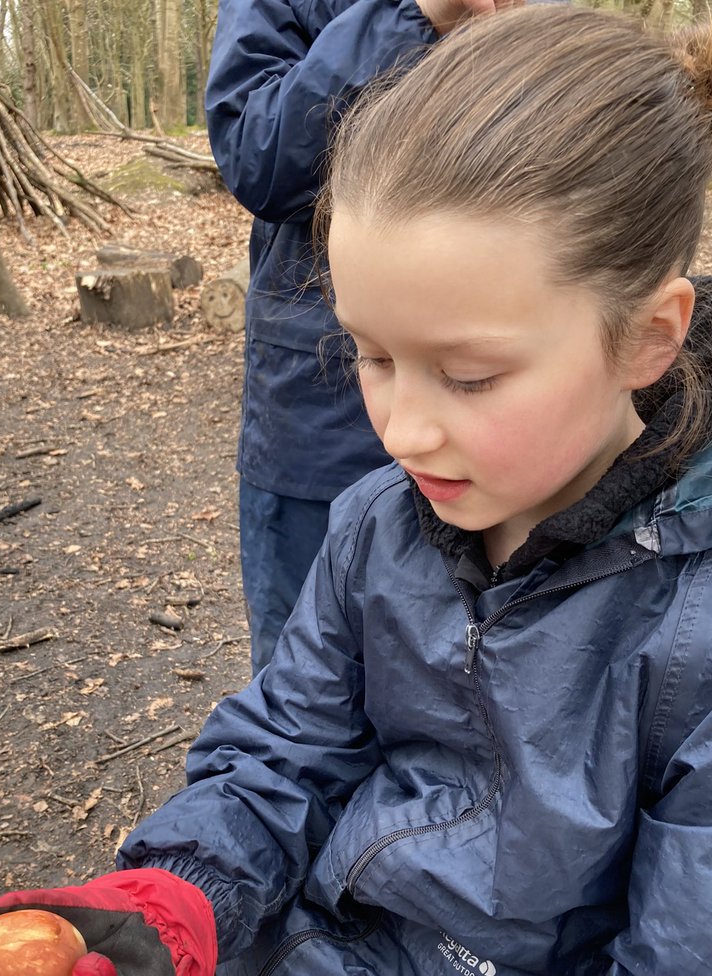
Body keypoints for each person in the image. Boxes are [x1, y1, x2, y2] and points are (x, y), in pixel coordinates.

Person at [0, 8, 712, 976]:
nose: (401, 430)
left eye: (469, 375)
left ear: (648, 338)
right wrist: (178, 900)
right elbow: (283, 757)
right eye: (372, 355)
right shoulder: (379, 524)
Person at [207, 0, 503, 675]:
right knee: (314, 665)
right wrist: (413, 17)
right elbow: (259, 158)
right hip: (320, 410)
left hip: (505, 410)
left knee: (487, 663)